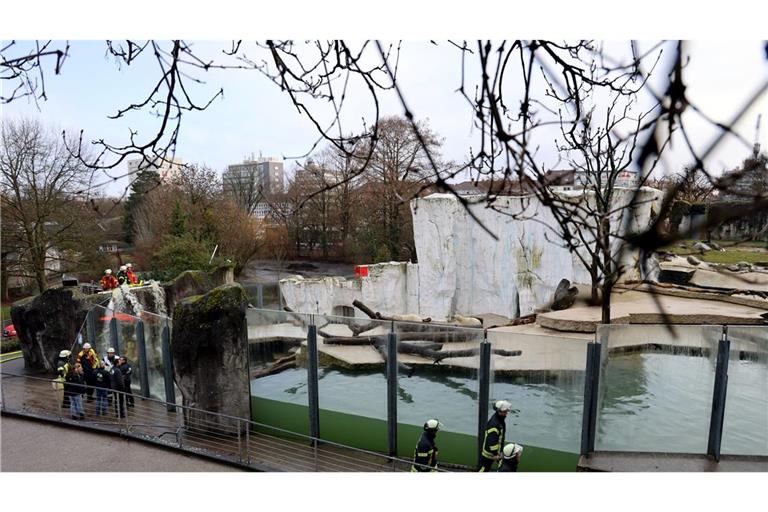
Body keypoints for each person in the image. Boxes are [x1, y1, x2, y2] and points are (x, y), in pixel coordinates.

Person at [479, 399, 511, 472]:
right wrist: (495, 454)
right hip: (490, 454)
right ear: (500, 411)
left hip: (496, 452)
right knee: (483, 469)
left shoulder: (500, 420)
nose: (507, 413)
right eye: (505, 411)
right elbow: (492, 441)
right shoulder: (495, 424)